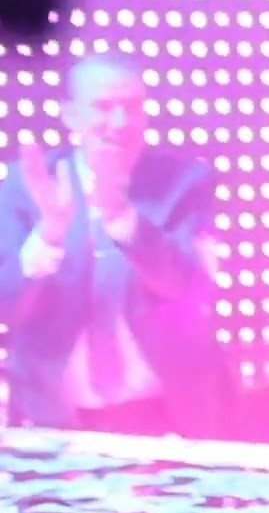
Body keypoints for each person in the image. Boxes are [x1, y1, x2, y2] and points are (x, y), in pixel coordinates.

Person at [0, 52, 229, 435]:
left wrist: (122, 217)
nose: (121, 122)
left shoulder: (184, 181)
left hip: (165, 416)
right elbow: (7, 306)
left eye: (133, 107)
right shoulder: (27, 186)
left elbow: (185, 287)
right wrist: (49, 234)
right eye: (104, 107)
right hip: (55, 421)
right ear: (70, 115)